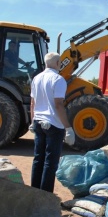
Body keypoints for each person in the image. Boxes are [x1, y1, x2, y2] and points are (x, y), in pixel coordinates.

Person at [30, 52, 75, 193]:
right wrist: (68, 128)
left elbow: (33, 103)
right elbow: (58, 105)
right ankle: (45, 196)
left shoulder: (36, 79)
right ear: (57, 63)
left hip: (38, 122)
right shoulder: (58, 79)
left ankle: (34, 193)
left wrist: (32, 121)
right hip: (54, 125)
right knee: (50, 163)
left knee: (38, 159)